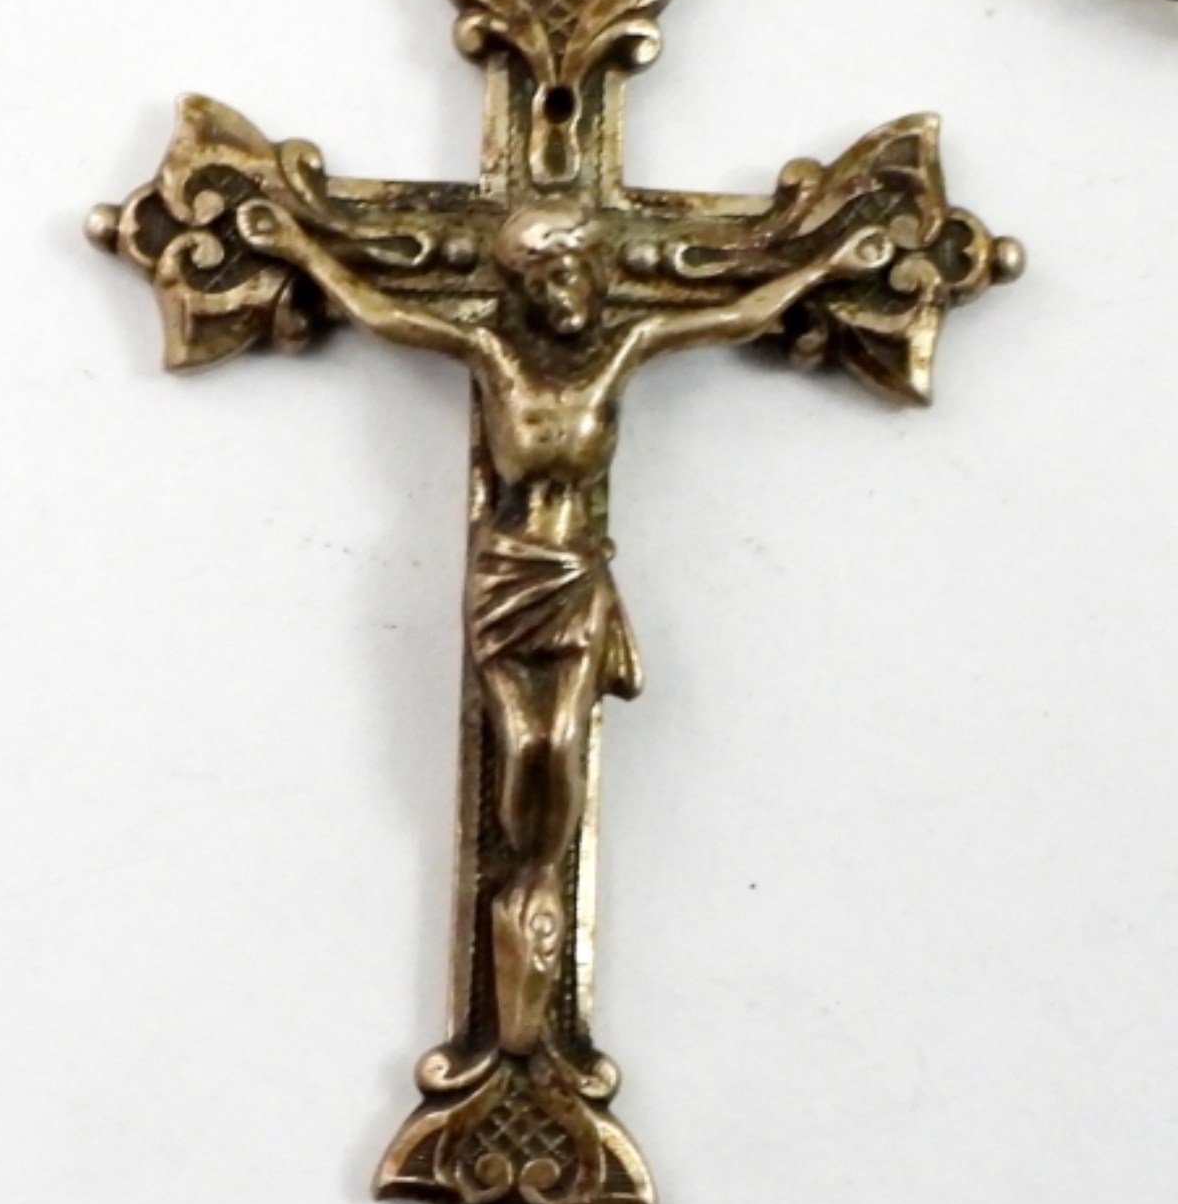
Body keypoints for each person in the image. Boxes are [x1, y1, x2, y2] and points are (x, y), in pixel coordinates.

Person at [239, 194, 891, 1054]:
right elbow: (384, 313)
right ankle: (523, 897)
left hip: (575, 577)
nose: (563, 291)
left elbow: (736, 314)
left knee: (559, 746)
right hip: (509, 577)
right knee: (522, 746)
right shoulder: (493, 354)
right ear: (522, 287)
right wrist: (296, 244)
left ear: (595, 274)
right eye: (544, 277)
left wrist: (827, 266)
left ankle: (535, 902)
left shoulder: (620, 350)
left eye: (574, 271)